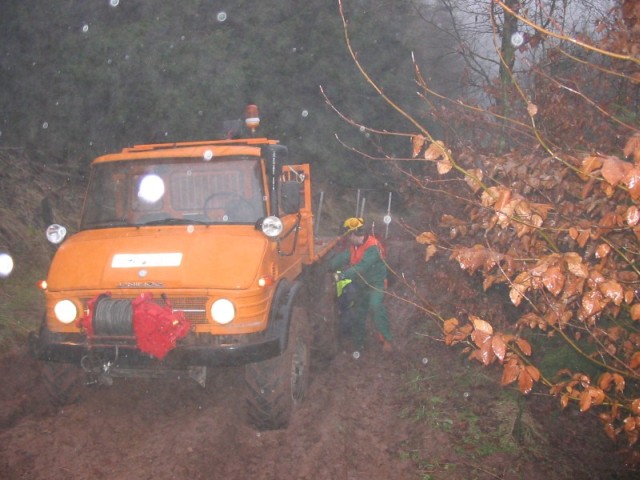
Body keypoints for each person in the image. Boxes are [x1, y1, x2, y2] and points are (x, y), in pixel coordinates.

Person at [329, 217, 392, 353]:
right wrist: (327, 265)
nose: (347, 239)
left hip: (376, 285)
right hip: (362, 286)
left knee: (375, 307)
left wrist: (342, 276)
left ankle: (387, 340)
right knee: (358, 313)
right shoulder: (354, 247)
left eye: (347, 236)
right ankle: (358, 344)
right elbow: (343, 258)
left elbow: (361, 267)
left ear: (352, 234)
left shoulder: (373, 247)